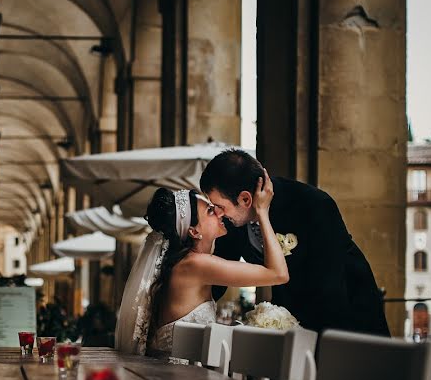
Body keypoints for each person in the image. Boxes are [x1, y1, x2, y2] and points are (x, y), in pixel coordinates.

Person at [200, 149, 390, 337]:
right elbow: (218, 272)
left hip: (349, 316)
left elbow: (329, 288)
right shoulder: (233, 220)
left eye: (219, 207)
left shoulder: (314, 205)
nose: (218, 214)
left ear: (245, 199)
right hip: (292, 318)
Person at [115, 171, 289, 356]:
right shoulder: (196, 265)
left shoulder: (184, 264)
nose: (219, 212)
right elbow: (278, 274)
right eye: (210, 211)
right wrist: (262, 211)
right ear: (194, 231)